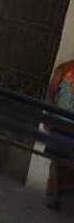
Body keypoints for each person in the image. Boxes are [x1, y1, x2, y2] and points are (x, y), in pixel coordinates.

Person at [43, 60, 74, 209]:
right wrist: (47, 118)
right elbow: (50, 94)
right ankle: (53, 197)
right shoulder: (63, 70)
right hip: (60, 123)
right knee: (55, 161)